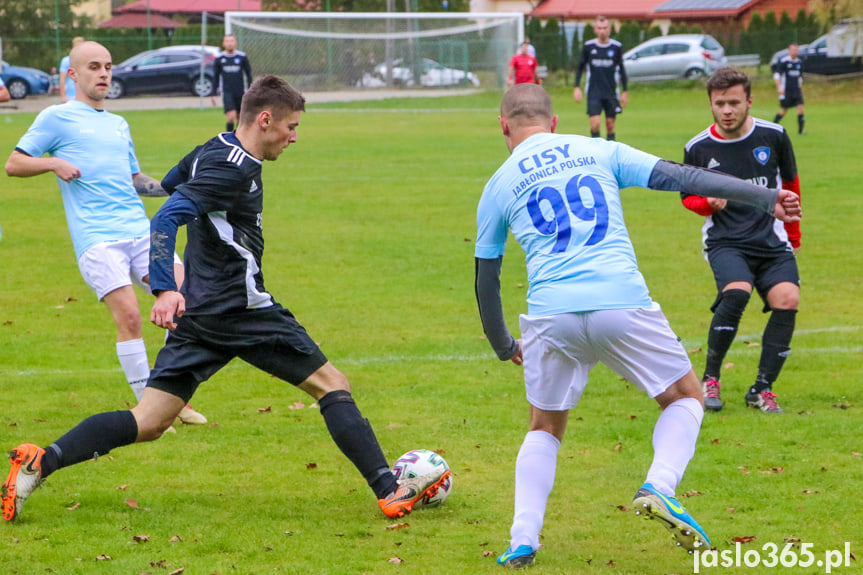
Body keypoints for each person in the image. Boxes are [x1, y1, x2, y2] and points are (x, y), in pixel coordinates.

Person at [2, 74, 451, 524]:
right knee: (332, 384)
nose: (293, 137)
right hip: (242, 308)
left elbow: (167, 187)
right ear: (265, 118)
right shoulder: (231, 168)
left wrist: (115, 181)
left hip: (201, 315)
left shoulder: (214, 146)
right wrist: (164, 287)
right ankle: (388, 490)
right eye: (291, 127)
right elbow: (166, 218)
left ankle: (42, 461)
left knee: (150, 421)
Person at [474, 84, 801, 568]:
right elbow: (683, 176)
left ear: (503, 126)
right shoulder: (599, 149)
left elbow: (486, 280)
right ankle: (660, 484)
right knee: (686, 397)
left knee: (544, 427)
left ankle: (523, 539)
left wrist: (504, 345)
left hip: (550, 313)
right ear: (556, 121)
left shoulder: (498, 184)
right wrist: (766, 196)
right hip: (620, 301)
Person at [4, 41, 207, 426]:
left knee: (185, 300)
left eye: (108, 67)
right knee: (130, 317)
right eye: (94, 67)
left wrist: (176, 189)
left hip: (139, 231)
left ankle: (171, 397)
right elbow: (13, 164)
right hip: (97, 238)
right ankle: (151, 407)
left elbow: (134, 179)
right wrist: (53, 163)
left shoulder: (118, 124)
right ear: (73, 74)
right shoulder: (55, 117)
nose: (103, 74)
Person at [682, 67, 802, 415]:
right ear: (711, 104)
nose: (727, 110)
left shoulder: (774, 136)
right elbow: (687, 197)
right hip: (725, 240)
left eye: (734, 102)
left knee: (788, 298)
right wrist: (707, 203)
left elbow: (791, 187)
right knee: (737, 291)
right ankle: (710, 378)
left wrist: (793, 236)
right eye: (719, 104)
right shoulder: (698, 147)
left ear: (749, 101)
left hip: (770, 240)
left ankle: (762, 390)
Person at [572, 16, 628, 140]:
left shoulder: (616, 47)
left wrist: (625, 91)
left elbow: (622, 70)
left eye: (605, 28)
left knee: (610, 125)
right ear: (595, 30)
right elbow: (580, 68)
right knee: (595, 123)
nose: (602, 31)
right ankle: (596, 153)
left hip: (611, 91)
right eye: (599, 28)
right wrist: (576, 87)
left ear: (610, 29)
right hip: (594, 91)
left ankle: (610, 154)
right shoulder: (589, 47)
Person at [213, 33, 253, 132]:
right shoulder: (219, 58)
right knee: (231, 116)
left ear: (235, 43)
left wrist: (250, 89)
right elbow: (216, 76)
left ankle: (240, 140)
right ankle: (229, 139)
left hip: (240, 91)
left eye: (231, 41)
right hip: (227, 92)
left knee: (240, 118)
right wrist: (214, 93)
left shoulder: (242, 57)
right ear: (223, 43)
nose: (229, 43)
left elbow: (248, 74)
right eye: (227, 41)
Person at [771, 43, 805, 135]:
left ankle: (801, 131)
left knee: (801, 108)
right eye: (793, 50)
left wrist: (800, 88)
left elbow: (800, 77)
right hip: (786, 90)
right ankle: (772, 127)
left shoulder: (799, 62)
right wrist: (779, 87)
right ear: (789, 51)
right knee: (784, 110)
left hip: (796, 90)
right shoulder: (784, 62)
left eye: (796, 50)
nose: (794, 52)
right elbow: (777, 75)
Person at [59, 36, 85, 103]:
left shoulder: (87, 61)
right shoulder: (66, 60)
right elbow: (62, 79)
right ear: (73, 46)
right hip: (71, 96)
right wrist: (63, 96)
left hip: (85, 95)